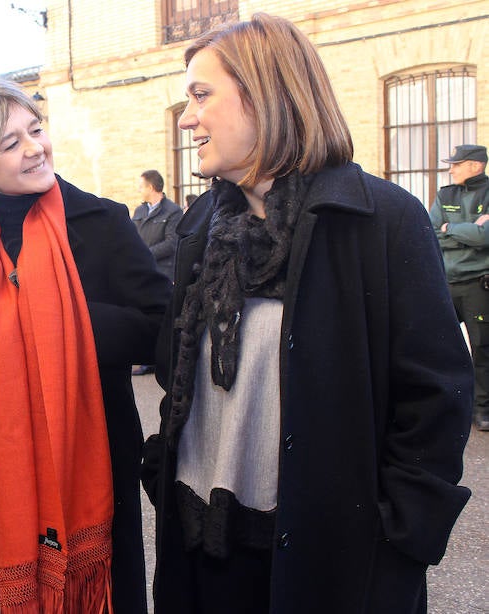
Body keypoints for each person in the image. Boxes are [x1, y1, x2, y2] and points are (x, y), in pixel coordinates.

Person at [141, 13, 473, 614]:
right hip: (200, 542)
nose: (187, 118)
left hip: (327, 558)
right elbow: (177, 373)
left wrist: (400, 539)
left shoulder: (381, 221)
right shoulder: (203, 225)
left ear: (265, 94)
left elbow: (435, 398)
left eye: (200, 94)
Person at [0, 80, 171, 613]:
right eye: (11, 143)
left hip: (93, 461)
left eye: (36, 130)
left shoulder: (103, 221)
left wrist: (60, 316)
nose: (35, 147)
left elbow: (161, 327)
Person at [429, 144, 489, 432]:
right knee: (439, 347)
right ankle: (446, 408)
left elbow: (486, 237)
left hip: (478, 285)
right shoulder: (445, 194)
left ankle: (483, 411)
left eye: (457, 164)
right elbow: (431, 231)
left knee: (483, 349)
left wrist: (450, 229)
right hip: (445, 283)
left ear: (476, 166)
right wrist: (469, 231)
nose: (451, 169)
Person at [132, 169, 182, 375]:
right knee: (141, 314)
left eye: (141, 186)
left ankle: (160, 359)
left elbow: (172, 243)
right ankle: (145, 356)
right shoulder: (139, 212)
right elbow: (132, 237)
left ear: (151, 188)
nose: (139, 190)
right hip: (141, 271)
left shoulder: (173, 211)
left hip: (163, 272)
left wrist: (145, 254)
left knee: (161, 316)